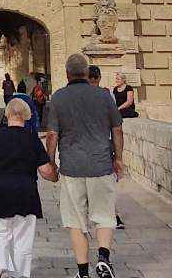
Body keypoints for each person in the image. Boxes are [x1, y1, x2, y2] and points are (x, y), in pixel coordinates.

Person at [46, 52, 124, 278]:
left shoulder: (59, 98)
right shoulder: (103, 96)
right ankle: (103, 258)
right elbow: (117, 130)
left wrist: (51, 163)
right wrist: (118, 159)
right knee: (105, 215)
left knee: (76, 221)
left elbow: (52, 134)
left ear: (67, 74)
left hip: (72, 168)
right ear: (87, 72)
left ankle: (83, 272)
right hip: (101, 165)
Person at [0, 97, 60, 278]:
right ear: (27, 116)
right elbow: (45, 171)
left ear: (7, 114)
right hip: (25, 193)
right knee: (23, 240)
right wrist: (55, 174)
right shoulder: (32, 140)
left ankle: (3, 268)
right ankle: (21, 274)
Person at [87, 66, 126, 231]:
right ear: (99, 78)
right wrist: (119, 157)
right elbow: (116, 126)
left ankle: (92, 213)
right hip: (105, 143)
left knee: (86, 180)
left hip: (86, 145)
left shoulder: (78, 96)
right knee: (106, 181)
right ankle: (111, 215)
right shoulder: (108, 95)